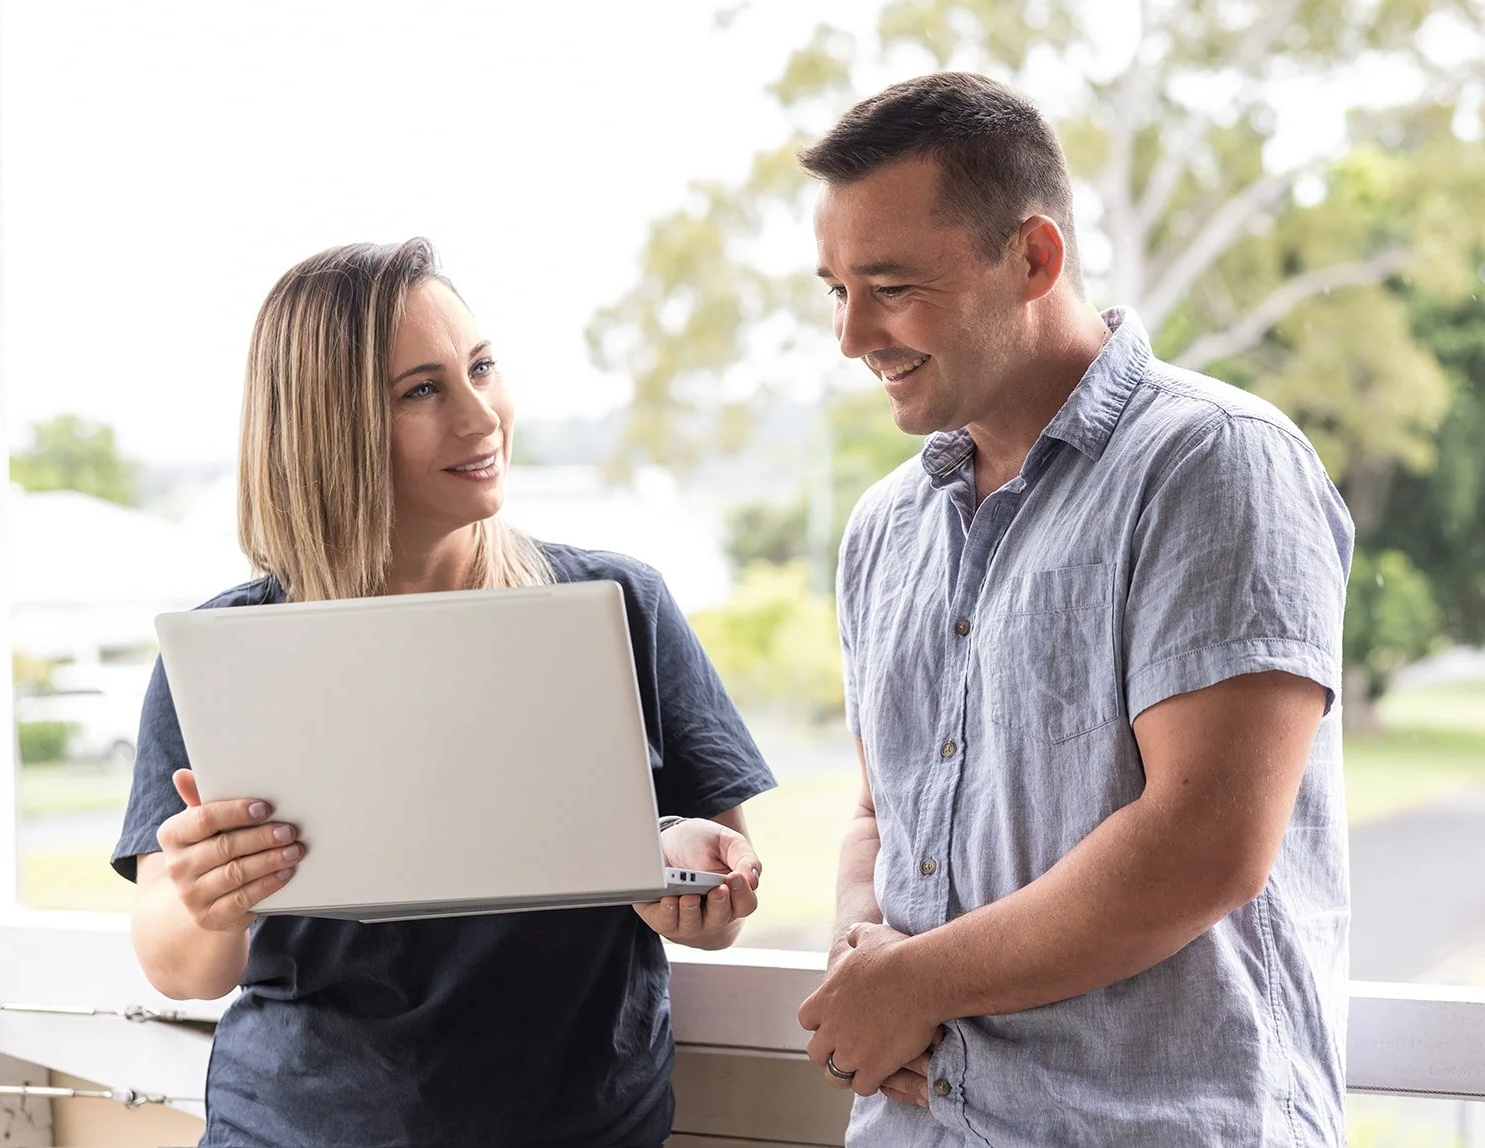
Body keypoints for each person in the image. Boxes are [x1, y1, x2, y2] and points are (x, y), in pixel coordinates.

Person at [111, 237, 777, 1148]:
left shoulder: (620, 606)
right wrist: (204, 898)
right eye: (422, 390)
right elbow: (178, 966)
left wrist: (688, 871)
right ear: (326, 425)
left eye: (482, 367)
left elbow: (716, 906)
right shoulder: (226, 651)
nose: (482, 415)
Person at [792, 73, 1353, 1146]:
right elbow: (881, 811)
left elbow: (1206, 841)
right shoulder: (883, 529)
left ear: (1034, 258)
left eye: (891, 285)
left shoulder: (1214, 464)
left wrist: (913, 981)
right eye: (834, 288)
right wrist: (862, 943)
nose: (851, 333)